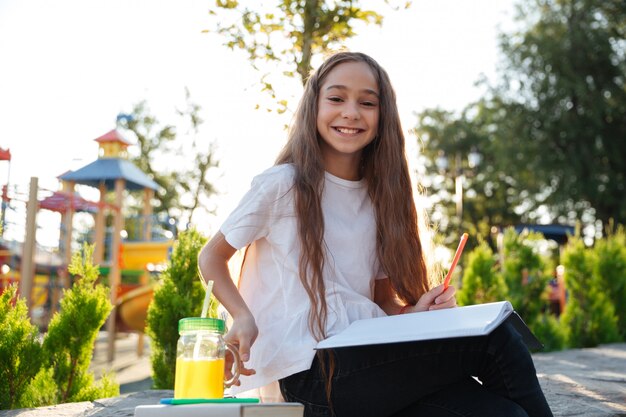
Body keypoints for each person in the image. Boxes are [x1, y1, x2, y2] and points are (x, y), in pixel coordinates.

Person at [198, 51, 553, 417]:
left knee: (501, 414)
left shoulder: (382, 198)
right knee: (495, 340)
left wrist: (416, 311)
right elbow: (211, 257)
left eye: (367, 102)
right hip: (311, 377)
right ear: (313, 107)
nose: (351, 112)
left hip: (368, 369)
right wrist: (241, 314)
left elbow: (381, 301)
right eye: (336, 98)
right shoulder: (283, 184)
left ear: (383, 116)